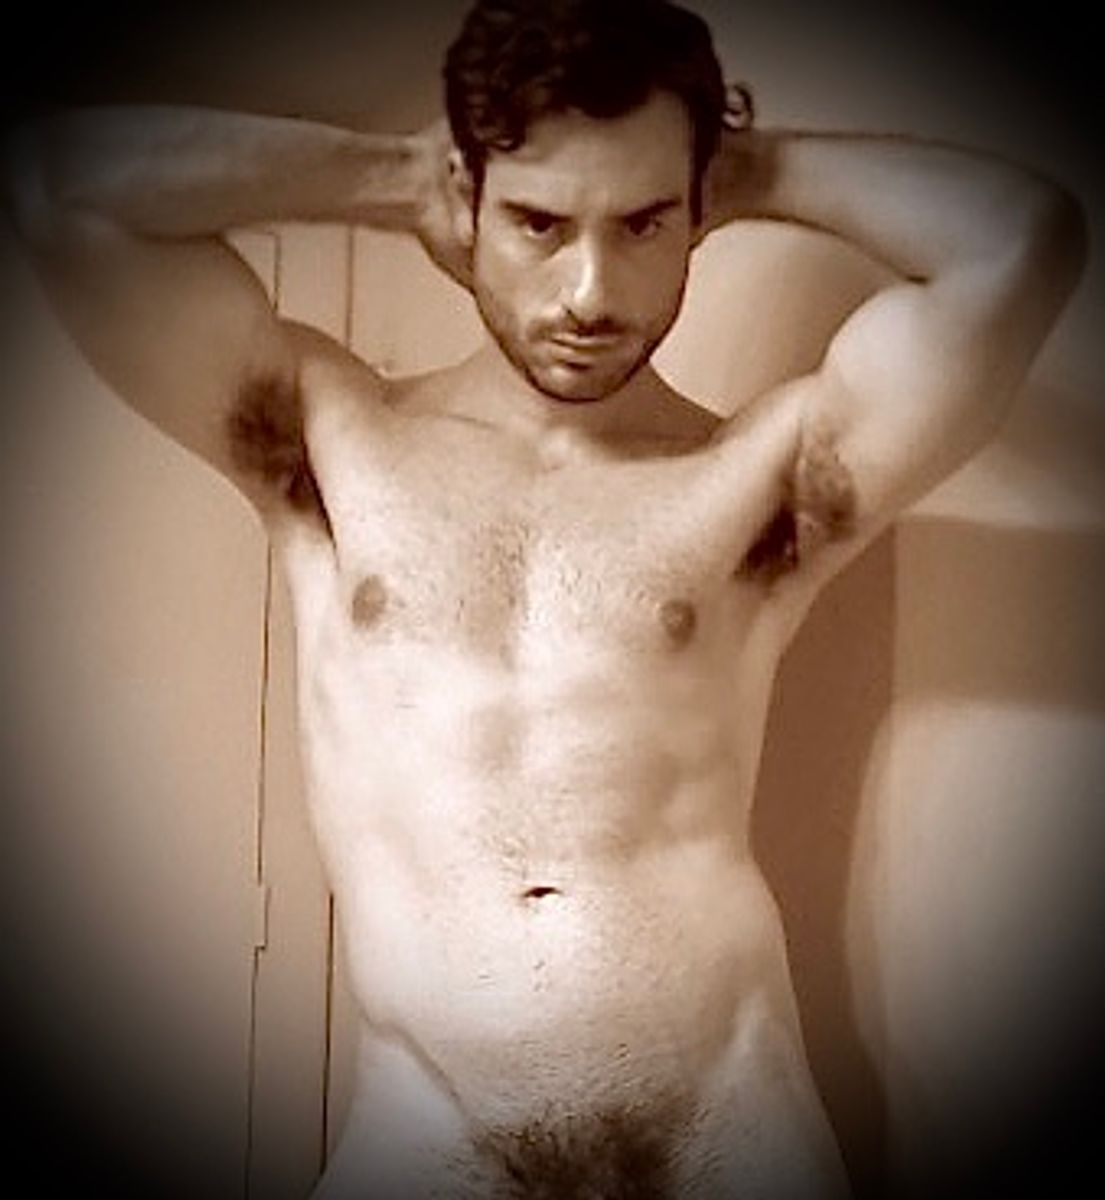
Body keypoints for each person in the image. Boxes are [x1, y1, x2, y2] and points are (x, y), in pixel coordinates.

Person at [1, 0, 1086, 1196]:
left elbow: (1022, 240)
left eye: (643, 221)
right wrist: (395, 178)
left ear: (696, 210)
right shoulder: (333, 438)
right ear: (467, 201)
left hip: (729, 1137)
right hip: (426, 1139)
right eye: (537, 221)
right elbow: (61, 185)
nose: (589, 291)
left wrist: (741, 168)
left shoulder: (758, 481)